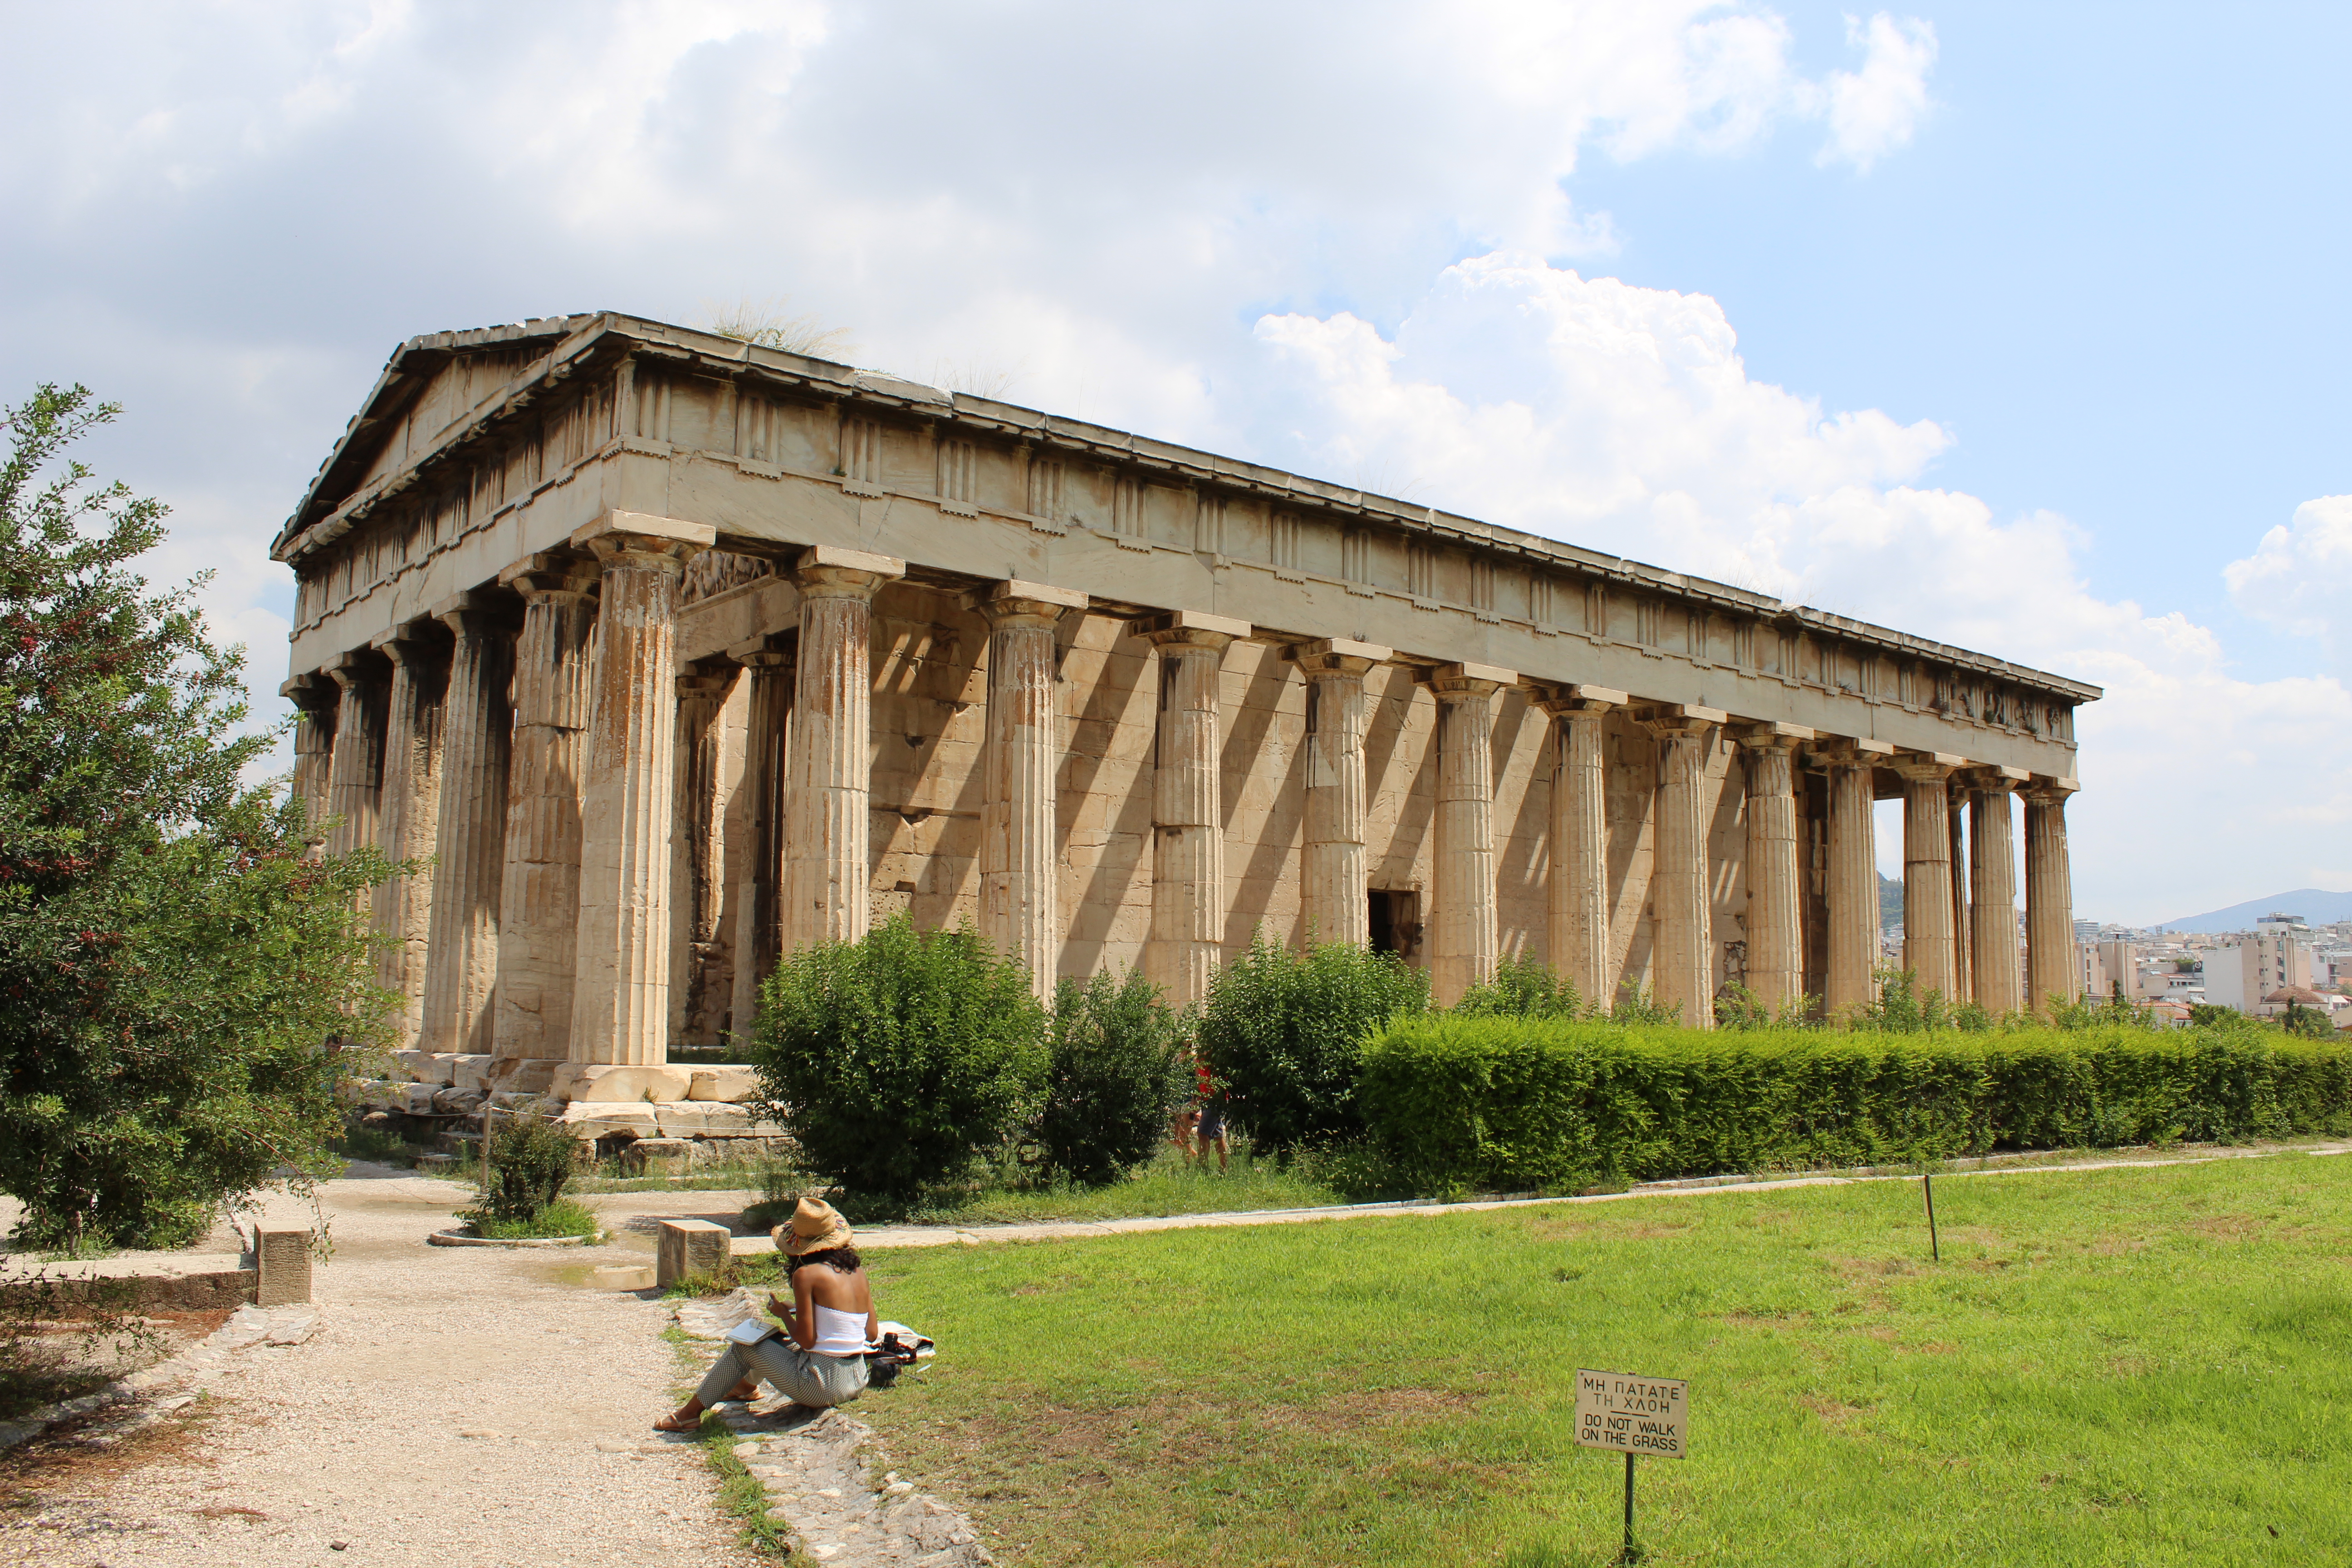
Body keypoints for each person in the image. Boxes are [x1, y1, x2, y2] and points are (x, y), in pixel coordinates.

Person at [655, 1197, 877, 1432]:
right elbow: (871, 1333)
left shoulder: (806, 1275)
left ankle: (688, 1415)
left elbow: (807, 1340)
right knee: (776, 1339)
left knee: (745, 1346)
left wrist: (784, 1314)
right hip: (856, 1378)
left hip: (823, 1386)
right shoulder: (857, 1272)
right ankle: (745, 1388)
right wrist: (798, 1310)